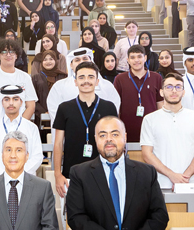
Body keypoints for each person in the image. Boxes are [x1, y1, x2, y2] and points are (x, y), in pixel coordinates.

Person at [52, 61, 119, 198]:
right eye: (81, 77)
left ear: (97, 81)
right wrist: (57, 174)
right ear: (75, 82)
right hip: (71, 174)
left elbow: (116, 140)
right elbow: (58, 143)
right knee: (74, 216)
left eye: (90, 77)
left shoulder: (109, 107)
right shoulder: (64, 108)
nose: (86, 81)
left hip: (104, 172)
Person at [139, 73, 194, 189]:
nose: (174, 91)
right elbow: (147, 154)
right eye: (169, 87)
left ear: (183, 92)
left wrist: (184, 177)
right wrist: (172, 175)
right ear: (161, 92)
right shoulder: (149, 119)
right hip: (160, 184)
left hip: (190, 184)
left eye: (178, 87)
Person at [0, 85, 43, 179]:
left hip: (25, 181)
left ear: (21, 102)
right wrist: (4, 177)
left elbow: (37, 157)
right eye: (6, 99)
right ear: (2, 102)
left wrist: (18, 175)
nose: (11, 103)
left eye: (15, 99)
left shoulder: (31, 128)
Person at [0, 38, 38, 122]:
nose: (8, 55)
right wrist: (0, 126)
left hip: (20, 129)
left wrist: (19, 125)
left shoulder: (25, 77)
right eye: (4, 52)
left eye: (12, 52)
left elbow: (31, 106)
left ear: (16, 55)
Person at [113, 46, 162, 142]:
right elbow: (117, 106)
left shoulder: (156, 77)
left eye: (139, 56)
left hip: (152, 129)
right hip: (128, 129)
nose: (136, 60)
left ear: (145, 58)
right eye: (132, 57)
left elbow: (160, 103)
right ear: (128, 60)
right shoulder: (120, 79)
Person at [32, 50, 67, 140]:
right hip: (41, 117)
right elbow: (32, 99)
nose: (48, 62)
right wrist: (44, 111)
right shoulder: (36, 78)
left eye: (51, 59)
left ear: (55, 61)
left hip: (61, 115)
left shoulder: (63, 77)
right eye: (45, 59)